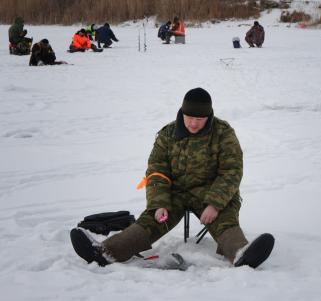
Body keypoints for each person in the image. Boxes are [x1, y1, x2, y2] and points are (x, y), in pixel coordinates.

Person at [70, 87, 275, 269]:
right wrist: (159, 203)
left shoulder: (223, 134)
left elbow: (232, 171)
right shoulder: (168, 134)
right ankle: (106, 252)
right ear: (182, 112)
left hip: (211, 192)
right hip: (174, 193)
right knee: (150, 220)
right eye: (189, 118)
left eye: (200, 119)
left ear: (209, 116)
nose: (193, 123)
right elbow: (157, 172)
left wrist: (215, 204)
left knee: (224, 220)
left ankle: (242, 254)